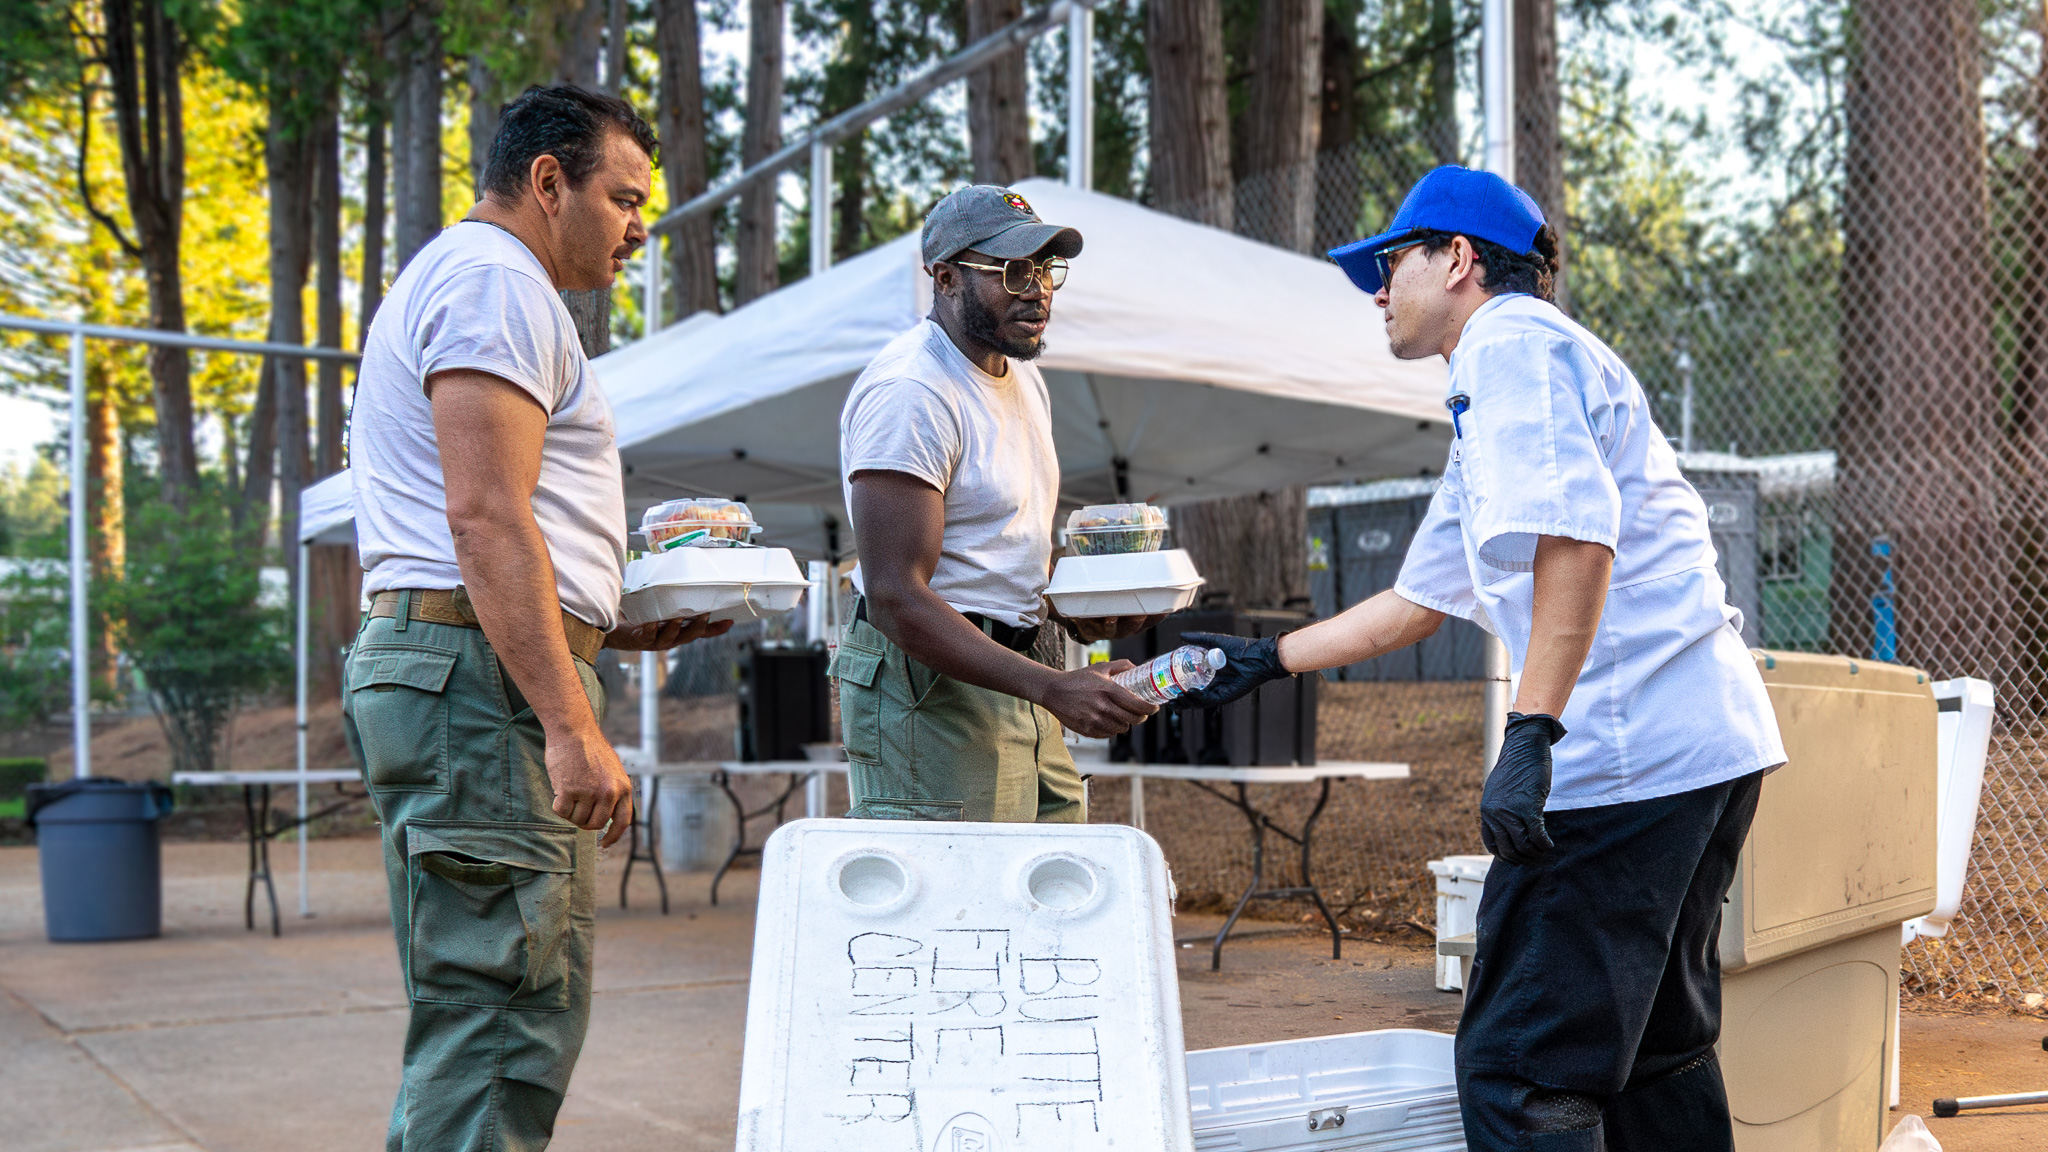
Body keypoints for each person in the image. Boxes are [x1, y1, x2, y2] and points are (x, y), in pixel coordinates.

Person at [1179, 165, 1785, 1152]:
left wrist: (1530, 731)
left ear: (1457, 259)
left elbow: (1576, 541)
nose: (1376, 291)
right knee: (1653, 1052)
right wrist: (1262, 659)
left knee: (1518, 1067)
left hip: (1622, 760)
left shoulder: (1508, 345)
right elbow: (1418, 601)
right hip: (1702, 749)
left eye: (1390, 263)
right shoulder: (1507, 382)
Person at [343, 85, 731, 1151]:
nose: (640, 225)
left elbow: (485, 522)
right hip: (479, 687)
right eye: (624, 197)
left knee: (486, 1017)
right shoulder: (494, 285)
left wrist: (608, 623)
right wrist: (568, 719)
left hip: (463, 666)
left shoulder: (471, 281)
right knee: (502, 1023)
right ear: (547, 182)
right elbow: (481, 516)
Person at [831, 185, 1159, 822]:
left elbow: (998, 546)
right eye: (1012, 271)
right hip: (931, 685)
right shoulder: (912, 391)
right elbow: (895, 594)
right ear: (947, 277)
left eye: (1044, 269)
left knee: (1050, 885)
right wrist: (1053, 687)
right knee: (961, 902)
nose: (1037, 290)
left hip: (1020, 670)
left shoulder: (1021, 375)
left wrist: (1076, 612)